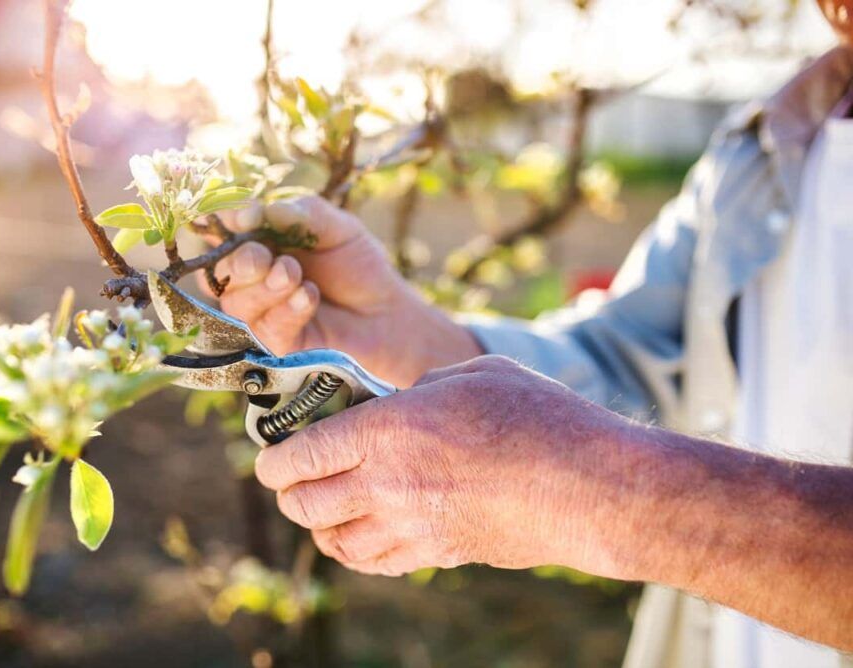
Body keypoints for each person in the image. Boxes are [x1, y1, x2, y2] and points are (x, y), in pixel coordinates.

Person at [207, 2, 853, 665]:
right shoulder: (767, 142)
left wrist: (607, 494)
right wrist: (396, 329)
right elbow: (626, 362)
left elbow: (605, 466)